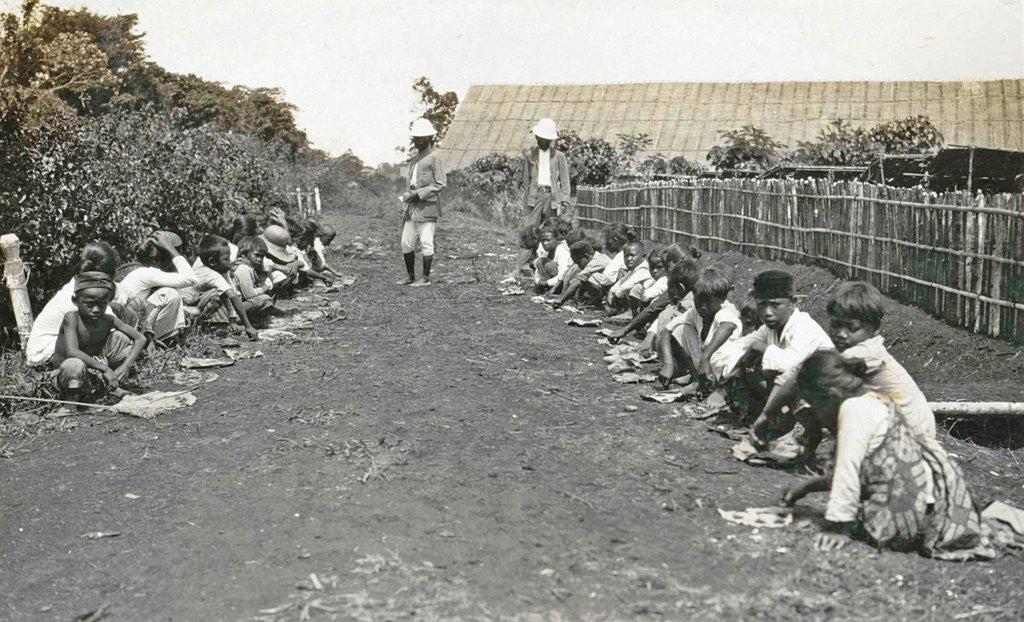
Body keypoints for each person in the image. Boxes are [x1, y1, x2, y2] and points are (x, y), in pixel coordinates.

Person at [782, 349, 993, 557]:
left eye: (816, 406)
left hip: (909, 520)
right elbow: (860, 471)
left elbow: (848, 469)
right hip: (934, 511)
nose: (818, 415)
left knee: (827, 521)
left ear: (831, 394)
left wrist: (838, 527)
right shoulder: (876, 401)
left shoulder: (853, 409)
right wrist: (807, 487)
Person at [752, 280, 936, 451]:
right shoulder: (853, 350)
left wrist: (766, 416)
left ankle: (829, 446)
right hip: (909, 434)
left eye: (852, 328)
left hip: (909, 439)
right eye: (836, 325)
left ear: (875, 329)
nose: (841, 334)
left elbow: (797, 376)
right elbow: (795, 371)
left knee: (818, 382)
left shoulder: (863, 353)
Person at [710, 269, 833, 422]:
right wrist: (744, 359)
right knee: (749, 368)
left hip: (824, 397)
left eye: (775, 305)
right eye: (762, 305)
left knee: (763, 368)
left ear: (792, 303)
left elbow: (791, 366)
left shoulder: (803, 326)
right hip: (798, 394)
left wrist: (761, 348)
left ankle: (776, 419)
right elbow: (727, 353)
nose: (767, 312)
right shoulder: (769, 329)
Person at [51, 272, 146, 403]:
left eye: (102, 304)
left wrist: (126, 366)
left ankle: (110, 386)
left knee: (121, 337)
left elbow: (140, 338)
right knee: (74, 365)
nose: (96, 310)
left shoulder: (108, 319)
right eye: (89, 305)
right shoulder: (72, 318)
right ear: (75, 300)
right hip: (68, 375)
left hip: (95, 370)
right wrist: (105, 369)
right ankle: (72, 401)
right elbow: (73, 352)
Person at [27, 242, 124, 367]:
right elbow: (114, 326)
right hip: (46, 353)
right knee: (118, 337)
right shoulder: (82, 295)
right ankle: (98, 365)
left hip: (49, 347)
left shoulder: (81, 284)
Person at [658, 264, 743, 391]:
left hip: (725, 368)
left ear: (722, 299)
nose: (703, 307)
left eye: (709, 302)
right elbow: (667, 330)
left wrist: (705, 358)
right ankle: (697, 380)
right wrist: (668, 364)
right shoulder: (695, 312)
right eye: (698, 301)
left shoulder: (726, 310)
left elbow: (728, 326)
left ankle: (715, 387)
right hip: (706, 365)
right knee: (680, 329)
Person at [115, 231, 197, 347]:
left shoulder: (139, 271)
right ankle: (158, 342)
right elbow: (191, 278)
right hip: (127, 327)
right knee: (170, 294)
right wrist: (170, 248)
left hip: (126, 324)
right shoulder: (148, 273)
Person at [516, 118, 572, 271]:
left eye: (546, 139)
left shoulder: (559, 156)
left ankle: (551, 263)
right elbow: (525, 180)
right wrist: (527, 200)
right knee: (529, 229)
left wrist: (564, 201)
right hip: (535, 197)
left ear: (551, 140)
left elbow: (565, 181)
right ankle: (523, 264)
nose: (542, 142)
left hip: (552, 198)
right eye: (540, 138)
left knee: (552, 230)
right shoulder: (530, 155)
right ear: (536, 137)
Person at [178, 235, 259, 340]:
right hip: (186, 308)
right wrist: (248, 326)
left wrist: (232, 320)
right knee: (216, 295)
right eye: (226, 259)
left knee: (222, 293)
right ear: (212, 261)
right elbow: (232, 296)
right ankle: (205, 327)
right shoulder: (210, 274)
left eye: (229, 257)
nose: (230, 261)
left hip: (196, 304)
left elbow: (231, 294)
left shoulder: (220, 270)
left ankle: (219, 325)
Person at [398, 118, 447, 286]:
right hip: (412, 208)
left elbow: (440, 183)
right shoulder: (414, 161)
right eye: (416, 138)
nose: (418, 141)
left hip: (427, 206)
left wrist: (420, 194)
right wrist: (407, 202)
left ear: (430, 138)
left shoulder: (435, 158)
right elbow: (410, 184)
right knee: (406, 242)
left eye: (422, 138)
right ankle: (410, 276)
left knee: (426, 241)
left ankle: (425, 278)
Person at [229, 236, 282, 320]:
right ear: (243, 254)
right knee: (265, 299)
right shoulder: (243, 268)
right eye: (256, 255)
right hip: (234, 308)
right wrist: (265, 287)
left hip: (238, 304)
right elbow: (249, 295)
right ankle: (245, 318)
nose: (260, 259)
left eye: (262, 256)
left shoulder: (247, 266)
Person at [552, 240, 611, 309]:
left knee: (583, 279)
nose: (579, 266)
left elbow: (578, 281)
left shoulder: (596, 262)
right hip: (609, 289)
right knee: (583, 277)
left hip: (613, 292)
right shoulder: (599, 257)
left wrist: (561, 300)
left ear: (586, 256)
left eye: (578, 262)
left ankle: (603, 303)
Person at [606, 241, 648, 312]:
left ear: (643, 256)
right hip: (643, 299)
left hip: (650, 301)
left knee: (634, 288)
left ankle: (636, 313)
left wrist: (615, 295)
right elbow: (622, 280)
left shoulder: (644, 268)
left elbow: (628, 284)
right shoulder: (634, 269)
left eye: (633, 255)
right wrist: (611, 291)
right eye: (626, 256)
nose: (629, 259)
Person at [533, 221, 573, 294]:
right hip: (552, 281)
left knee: (549, 265)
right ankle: (545, 288)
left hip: (565, 281)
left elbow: (563, 273)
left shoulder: (561, 249)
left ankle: (556, 290)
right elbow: (537, 270)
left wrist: (547, 283)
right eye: (543, 240)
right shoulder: (547, 250)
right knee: (540, 261)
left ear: (556, 239)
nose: (545, 243)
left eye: (548, 240)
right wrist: (538, 281)